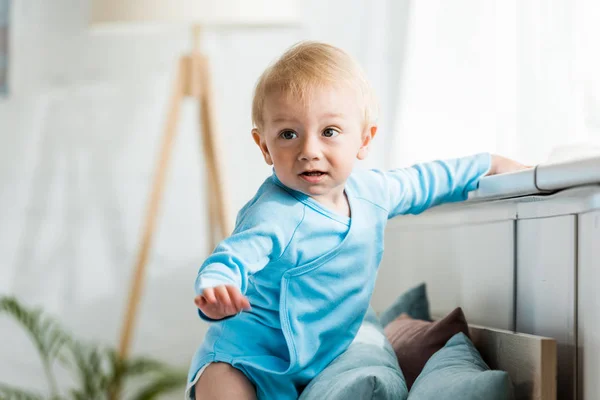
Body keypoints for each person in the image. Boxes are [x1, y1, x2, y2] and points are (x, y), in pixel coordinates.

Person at [186, 41, 528, 400]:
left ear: (364, 140)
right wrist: (217, 287)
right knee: (220, 382)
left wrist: (489, 164)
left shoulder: (373, 193)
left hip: (322, 356)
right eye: (289, 134)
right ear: (264, 147)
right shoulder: (274, 212)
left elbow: (428, 180)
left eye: (329, 132)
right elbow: (233, 256)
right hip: (249, 358)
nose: (309, 151)